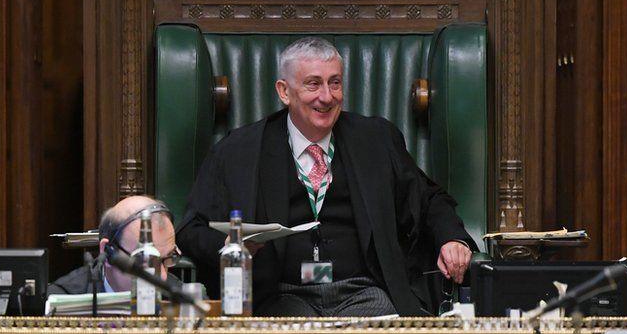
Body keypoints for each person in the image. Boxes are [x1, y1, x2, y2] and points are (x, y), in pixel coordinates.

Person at [176, 37, 476, 317]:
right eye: (313, 84)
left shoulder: (375, 140)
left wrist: (451, 239)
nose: (327, 97)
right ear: (284, 91)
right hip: (281, 296)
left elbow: (428, 199)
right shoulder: (239, 150)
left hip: (363, 292)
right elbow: (192, 229)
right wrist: (231, 245)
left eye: (335, 83)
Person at [48, 195, 180, 295]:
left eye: (169, 258)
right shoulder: (64, 301)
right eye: (146, 262)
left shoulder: (179, 298)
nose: (162, 276)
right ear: (107, 252)